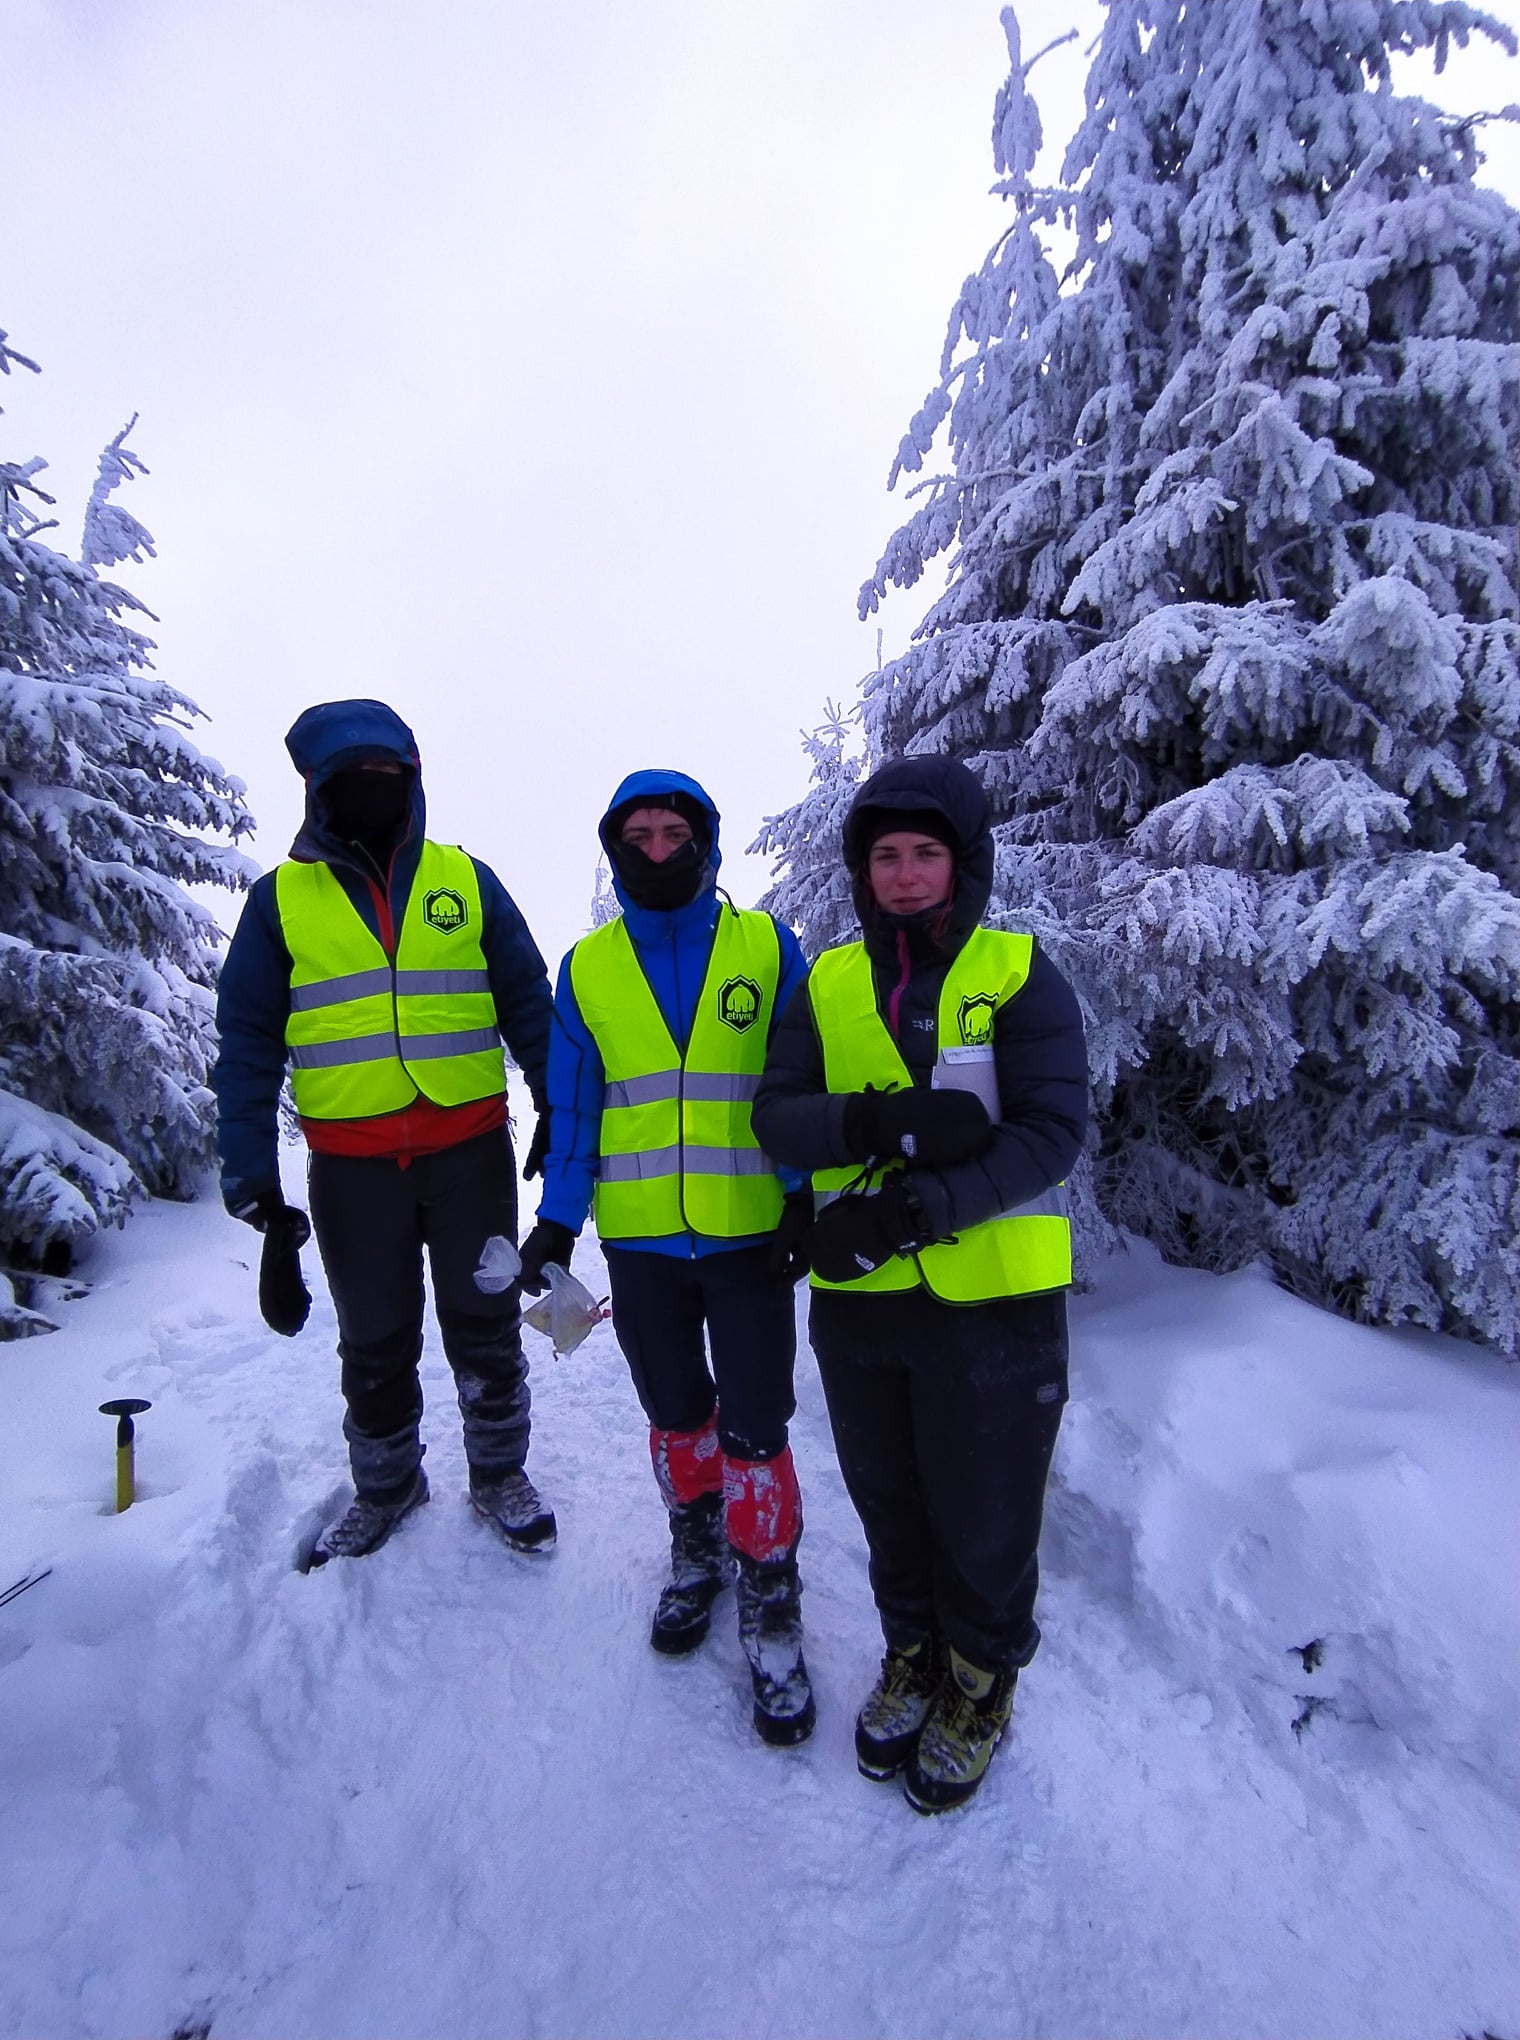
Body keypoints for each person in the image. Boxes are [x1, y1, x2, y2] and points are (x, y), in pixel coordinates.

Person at [751, 755, 1087, 1811]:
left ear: (961, 862)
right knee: (890, 1500)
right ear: (861, 870)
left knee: (983, 1512)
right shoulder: (831, 980)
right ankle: (911, 1655)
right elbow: (776, 1114)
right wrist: (875, 1124)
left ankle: (980, 1683)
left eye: (923, 854)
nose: (902, 874)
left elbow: (1049, 1132)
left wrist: (911, 1209)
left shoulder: (1017, 971)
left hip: (994, 1302)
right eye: (883, 856)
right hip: (859, 1304)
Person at [213, 698, 557, 1568]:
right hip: (352, 1170)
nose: (373, 791)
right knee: (374, 1334)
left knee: (484, 1323)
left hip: (470, 1154)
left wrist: (560, 1104)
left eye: (389, 776)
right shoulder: (279, 901)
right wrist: (253, 1174)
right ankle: (387, 1484)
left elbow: (527, 999)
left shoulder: (464, 880)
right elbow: (247, 1043)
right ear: (318, 791)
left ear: (413, 780)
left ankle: (498, 1474)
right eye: (351, 779)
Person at [517, 771, 816, 1745]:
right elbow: (573, 1109)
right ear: (614, 848)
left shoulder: (766, 947)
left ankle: (769, 1588)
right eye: (636, 834)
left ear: (704, 838)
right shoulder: (587, 968)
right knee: (678, 1412)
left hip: (748, 1239)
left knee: (757, 1421)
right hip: (641, 1244)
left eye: (671, 831)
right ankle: (698, 1551)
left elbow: (803, 1085)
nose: (655, 848)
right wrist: (558, 1222)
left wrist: (804, 1199)